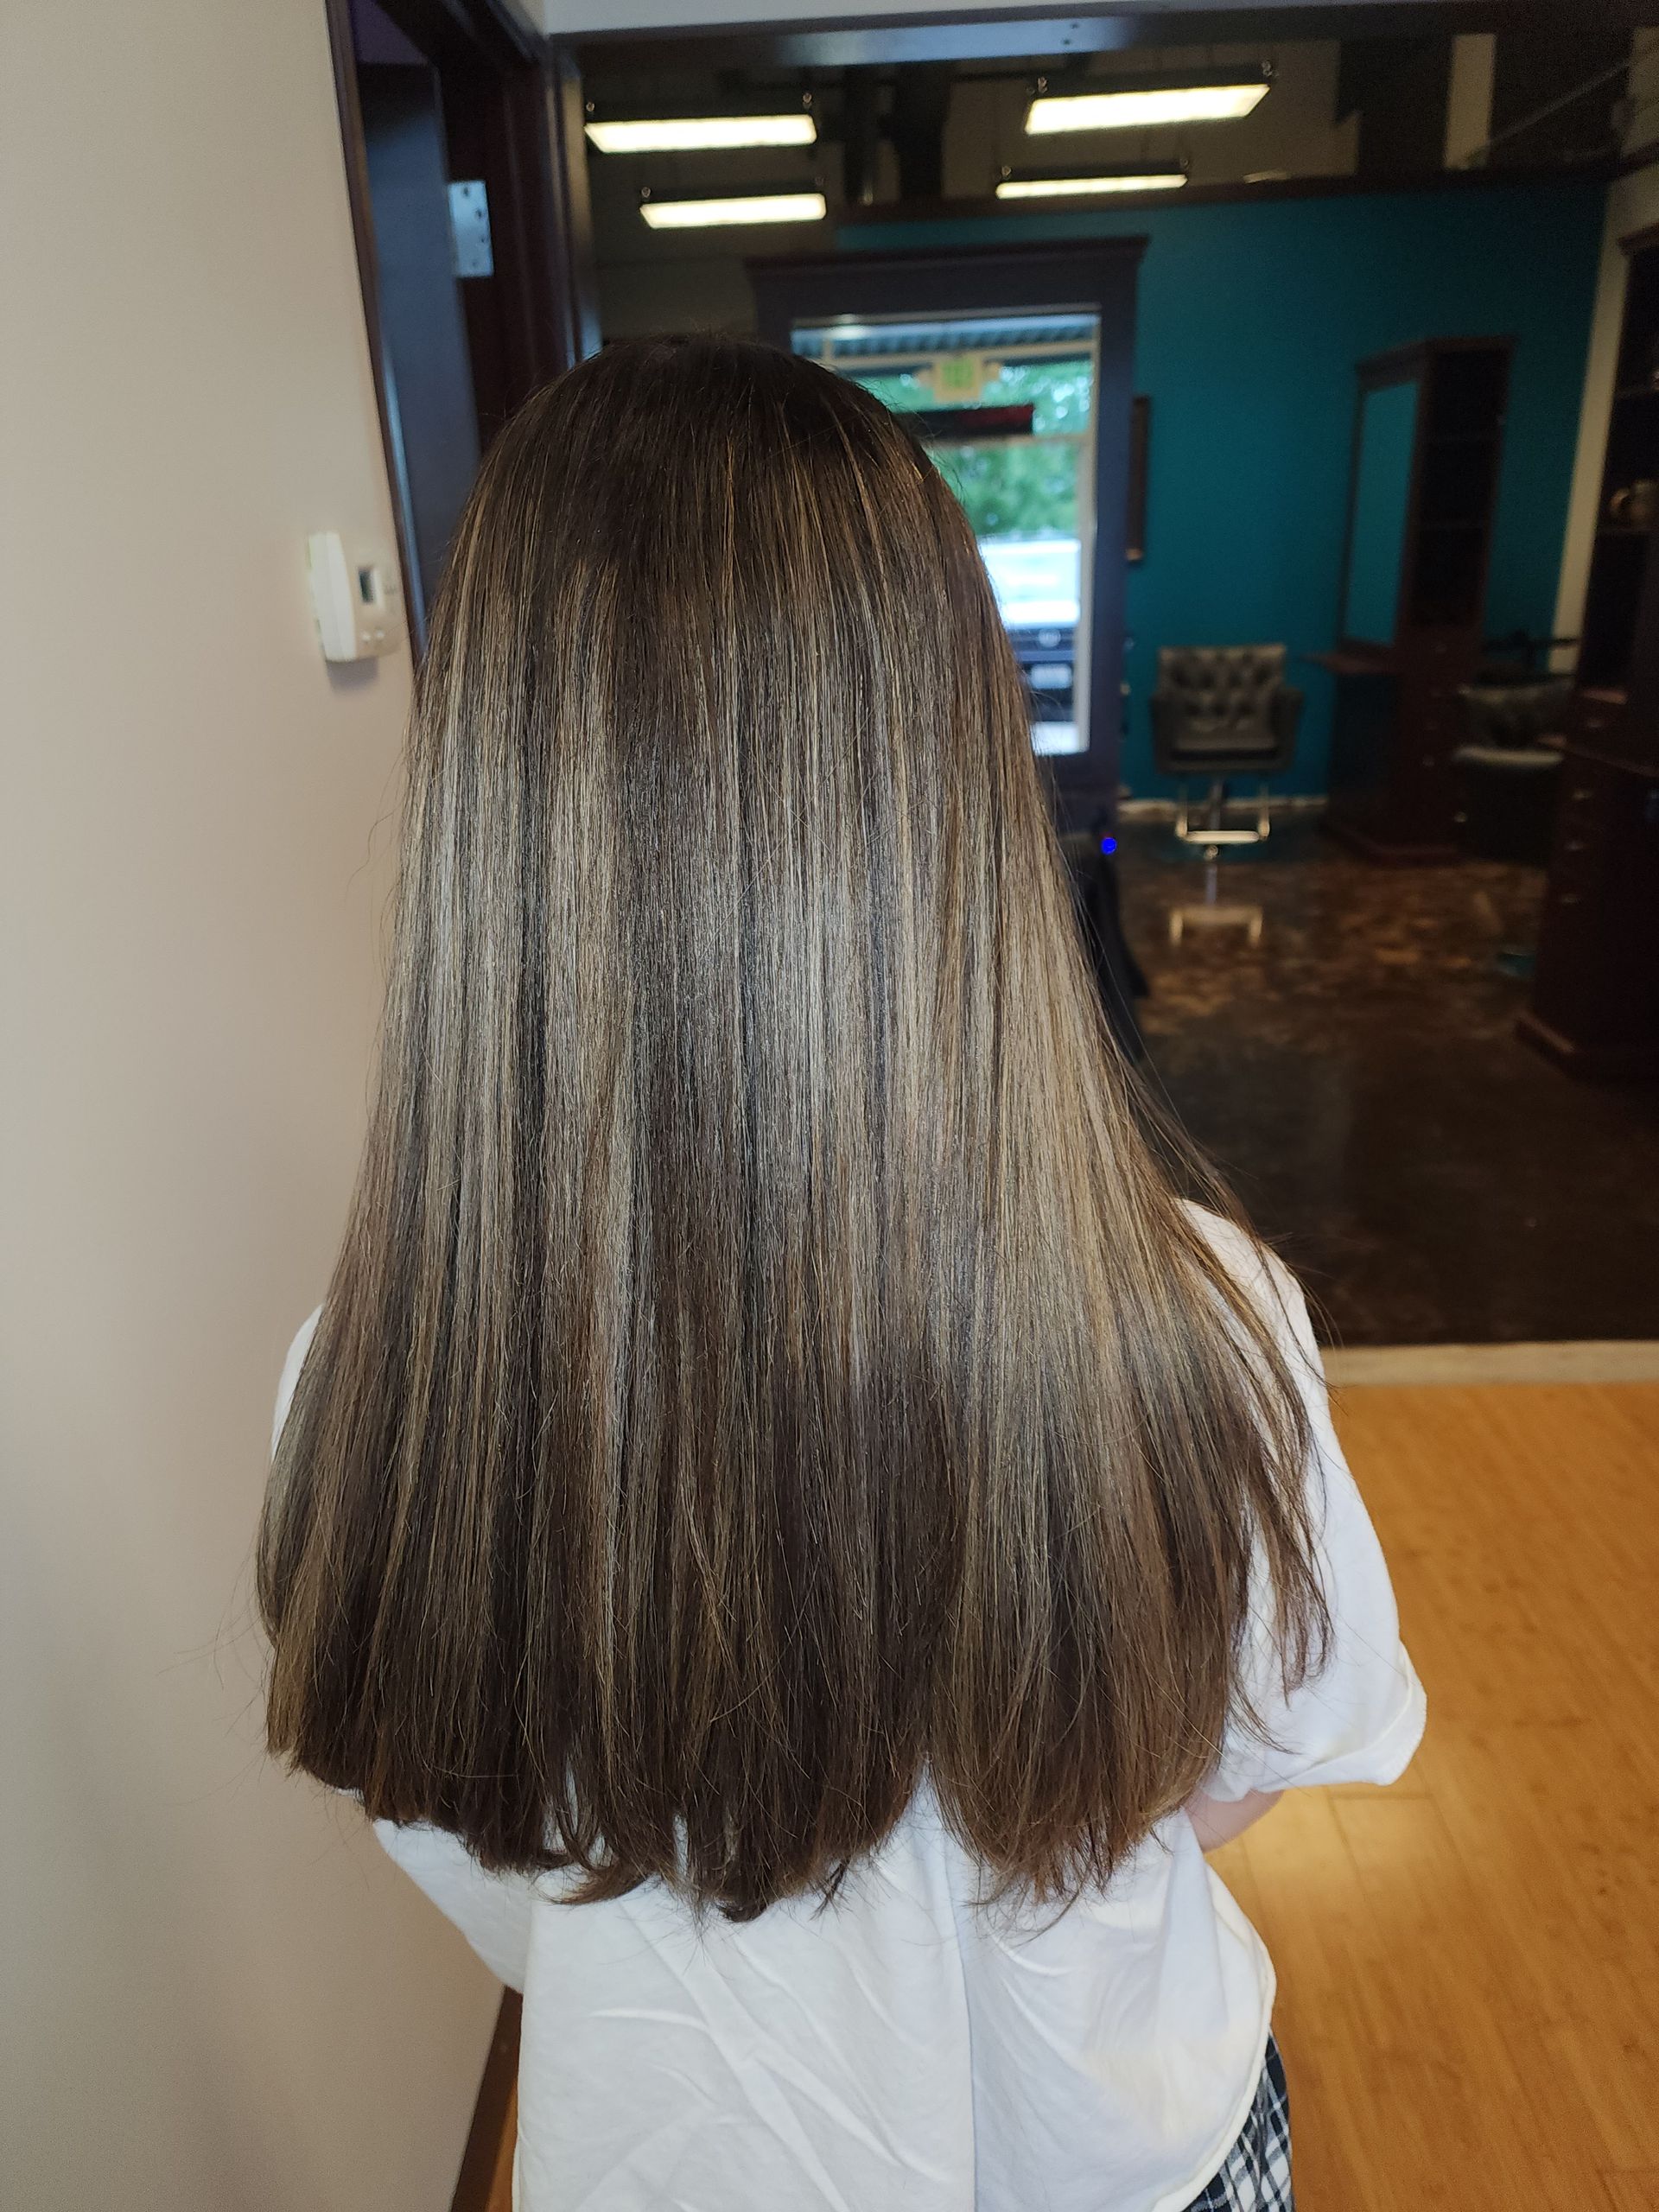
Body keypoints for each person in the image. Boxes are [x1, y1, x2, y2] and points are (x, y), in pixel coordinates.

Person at [259, 336, 1423, 2212]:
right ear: (957, 772)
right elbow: (1247, 1767)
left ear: (495, 803)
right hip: (1125, 2157)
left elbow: (469, 1854)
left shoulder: (374, 1384)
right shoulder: (1193, 1321)